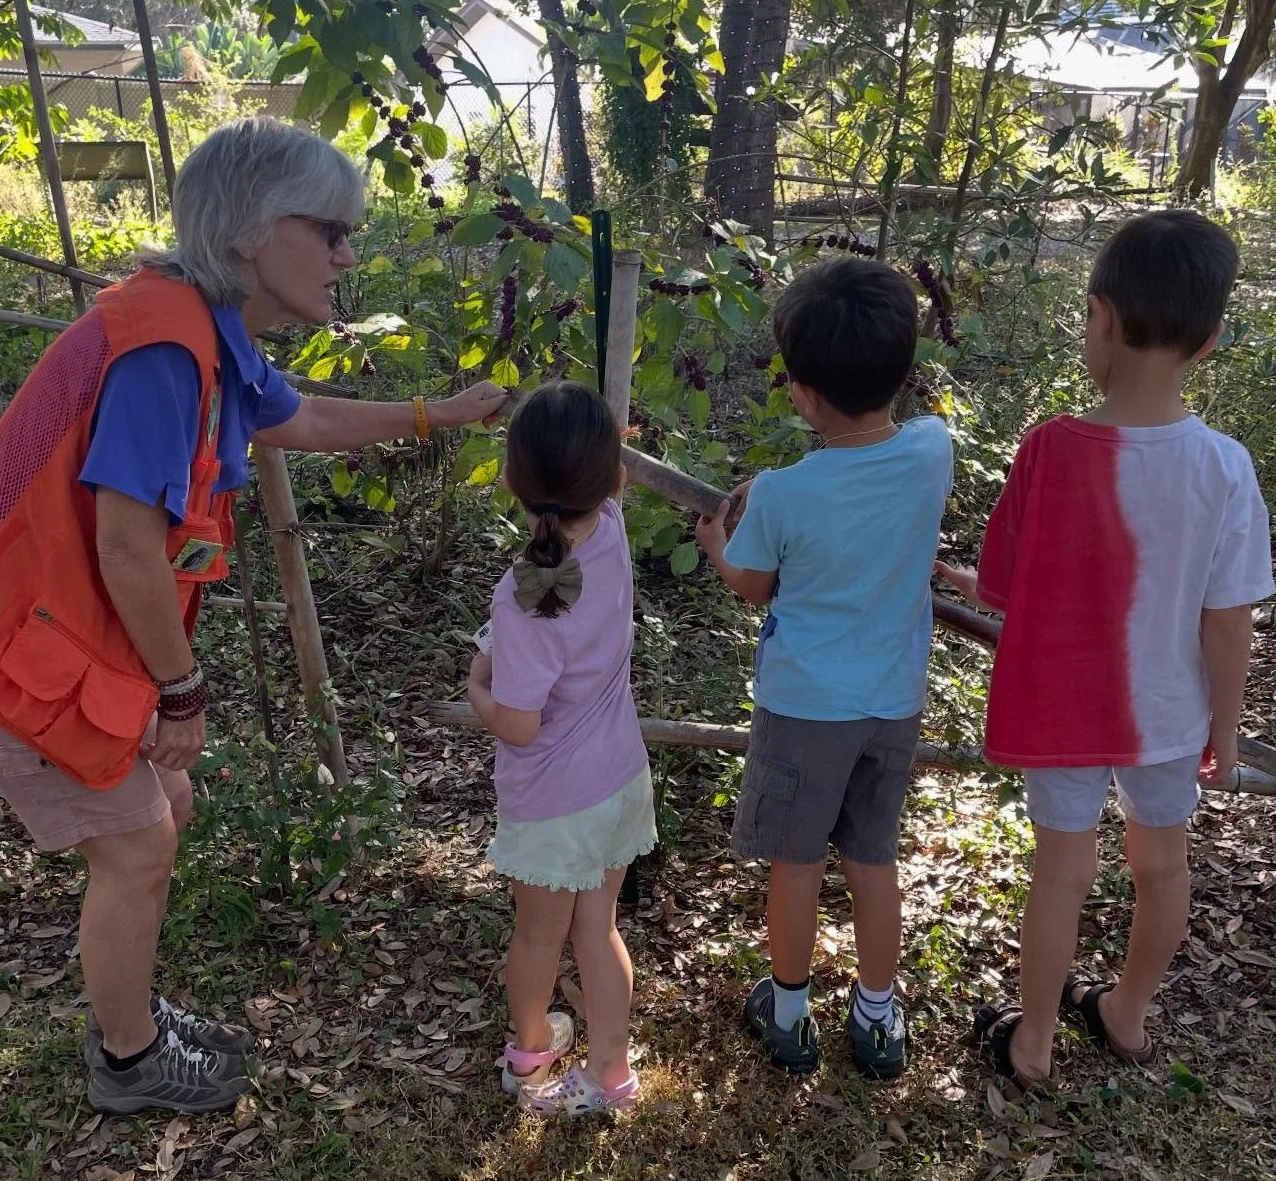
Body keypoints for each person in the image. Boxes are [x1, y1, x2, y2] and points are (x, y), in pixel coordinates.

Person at [0, 118, 508, 1115]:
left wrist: (441, 413)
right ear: (255, 231)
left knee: (164, 809)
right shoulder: (167, 350)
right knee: (138, 843)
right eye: (331, 231)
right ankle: (128, 1061)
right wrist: (182, 691)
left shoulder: (206, 329)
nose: (347, 256)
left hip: (38, 625)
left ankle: (126, 1012)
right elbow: (128, 550)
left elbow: (301, 417)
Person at [938, 210, 1272, 1086]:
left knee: (1061, 875)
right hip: (1167, 712)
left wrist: (966, 580)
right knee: (1164, 868)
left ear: (1100, 318)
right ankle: (1127, 1012)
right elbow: (1228, 617)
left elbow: (1011, 584)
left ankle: (1034, 1043)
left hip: (1063, 707)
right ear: (1211, 340)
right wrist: (1225, 729)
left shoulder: (1049, 449)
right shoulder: (1225, 467)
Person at [695, 257, 953, 1082]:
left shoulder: (782, 493)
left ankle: (788, 1009)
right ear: (903, 372)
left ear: (802, 393)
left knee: (797, 861)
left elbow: (752, 583)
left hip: (805, 705)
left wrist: (718, 545)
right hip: (891, 704)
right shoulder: (933, 450)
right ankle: (876, 1014)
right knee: (873, 860)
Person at [465, 382, 655, 1117]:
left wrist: (479, 687)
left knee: (538, 938)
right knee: (598, 928)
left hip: (552, 801)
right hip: (618, 776)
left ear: (512, 482)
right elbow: (610, 484)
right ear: (611, 480)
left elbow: (519, 724)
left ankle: (531, 1054)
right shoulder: (612, 529)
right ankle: (610, 1071)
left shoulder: (525, 596)